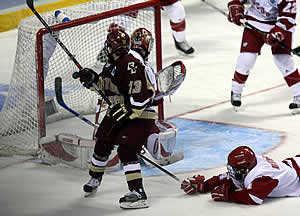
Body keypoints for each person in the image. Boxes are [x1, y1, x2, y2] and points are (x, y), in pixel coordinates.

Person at [76, 29, 159, 209]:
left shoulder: (130, 63)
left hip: (141, 114)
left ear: (110, 47)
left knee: (126, 149)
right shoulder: (111, 64)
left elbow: (143, 96)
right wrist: (93, 80)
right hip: (119, 111)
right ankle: (95, 178)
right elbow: (107, 89)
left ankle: (138, 193)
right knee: (102, 141)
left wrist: (127, 110)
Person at [227, 0, 300, 112]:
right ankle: (236, 90)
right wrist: (236, 8)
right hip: (255, 20)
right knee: (247, 58)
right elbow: (237, 1)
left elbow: (288, 16)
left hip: (278, 23)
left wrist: (278, 31)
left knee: (283, 59)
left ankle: (298, 93)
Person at [181, 146, 300, 205]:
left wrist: (229, 195)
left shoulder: (263, 176)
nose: (232, 171)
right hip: (294, 164)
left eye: (235, 168)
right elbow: (228, 177)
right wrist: (205, 185)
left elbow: (253, 198)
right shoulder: (251, 165)